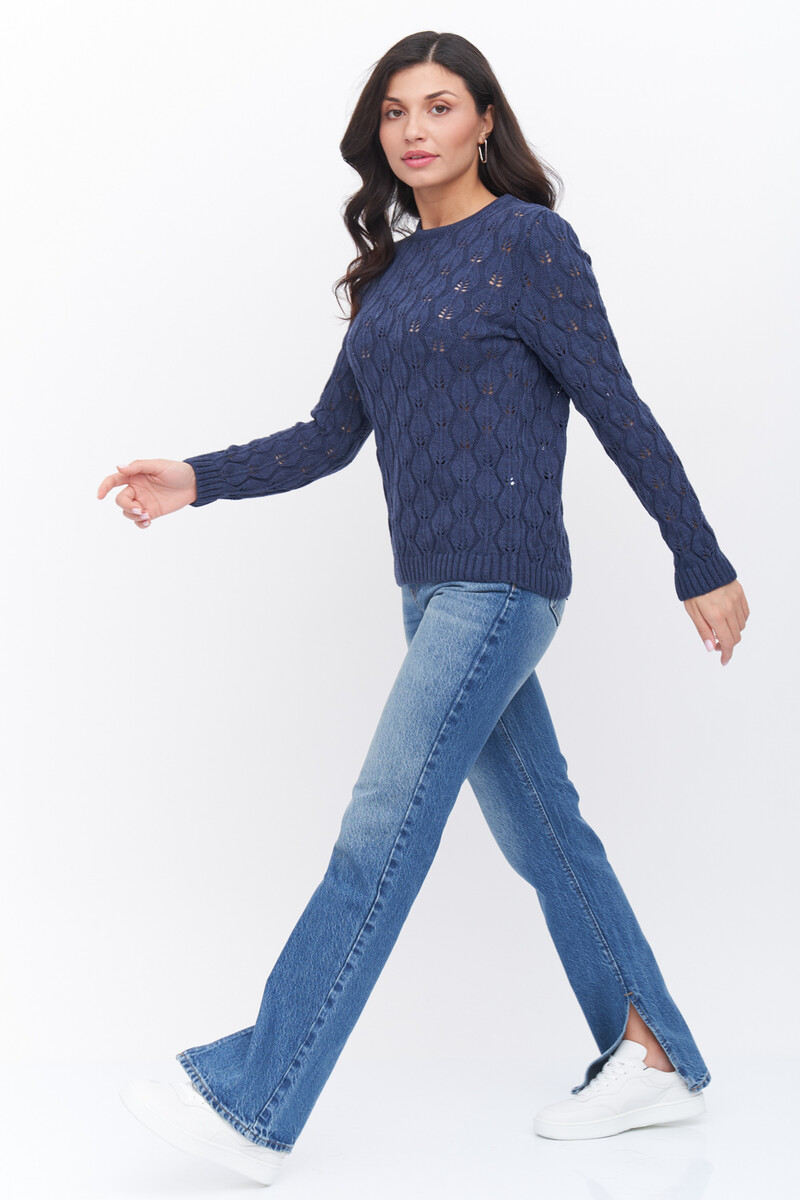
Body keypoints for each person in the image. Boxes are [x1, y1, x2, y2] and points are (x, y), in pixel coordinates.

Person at [97, 29, 749, 1188]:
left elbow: (615, 404)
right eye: (395, 111)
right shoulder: (391, 277)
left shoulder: (528, 244)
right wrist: (196, 477)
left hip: (500, 587)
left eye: (439, 106)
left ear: (484, 121)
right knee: (545, 832)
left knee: (378, 831)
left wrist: (696, 559)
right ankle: (651, 1053)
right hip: (431, 592)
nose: (414, 129)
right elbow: (327, 437)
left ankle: (256, 1099)